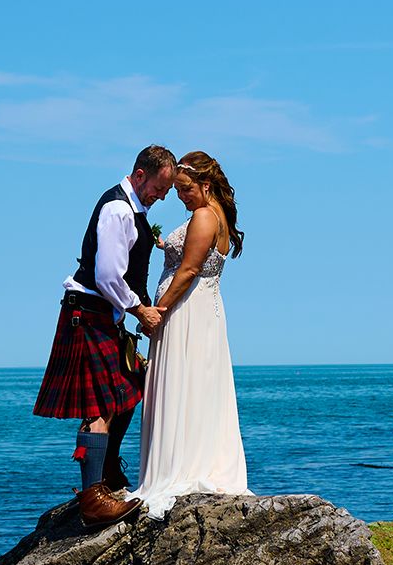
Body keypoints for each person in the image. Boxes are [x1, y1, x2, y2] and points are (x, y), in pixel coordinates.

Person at [33, 144, 175, 531]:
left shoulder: (134, 210)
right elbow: (108, 275)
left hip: (100, 315)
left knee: (129, 386)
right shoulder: (117, 209)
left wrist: (138, 307)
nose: (162, 196)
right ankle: (93, 498)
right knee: (99, 405)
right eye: (159, 188)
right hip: (87, 314)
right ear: (140, 174)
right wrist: (140, 309)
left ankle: (108, 469)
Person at [127, 150, 250, 518]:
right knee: (197, 384)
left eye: (185, 189)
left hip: (185, 311)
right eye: (177, 190)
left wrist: (157, 312)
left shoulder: (204, 216)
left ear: (205, 185)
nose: (180, 197)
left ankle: (179, 468)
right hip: (202, 311)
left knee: (184, 382)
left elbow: (189, 270)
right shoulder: (217, 215)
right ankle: (196, 458)